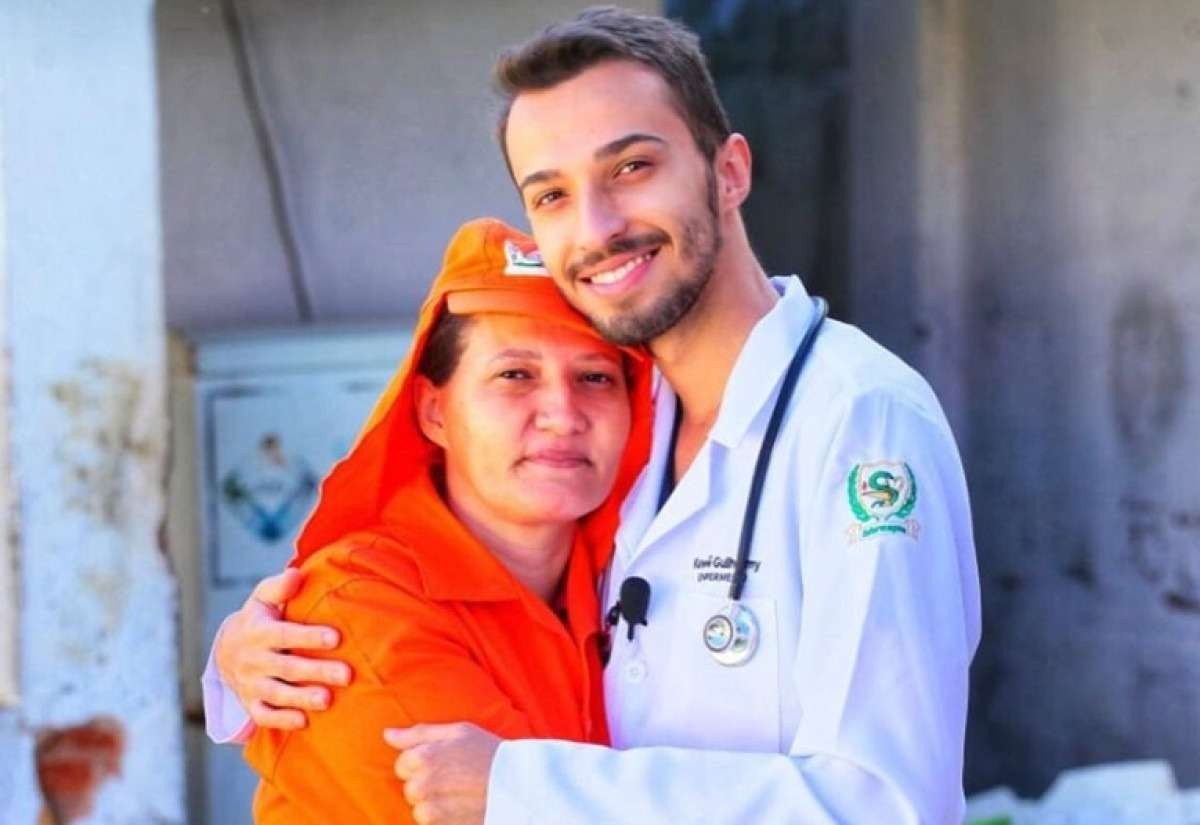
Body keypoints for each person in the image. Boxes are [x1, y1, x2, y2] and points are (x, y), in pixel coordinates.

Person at [207, 8, 981, 824]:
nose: (598, 228)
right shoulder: (629, 429)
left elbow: (892, 806)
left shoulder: (859, 424)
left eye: (632, 167)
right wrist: (236, 666)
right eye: (552, 194)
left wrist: (521, 791)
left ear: (730, 172)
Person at [234, 216, 652, 823]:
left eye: (595, 378)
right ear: (433, 411)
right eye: (515, 375)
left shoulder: (634, 575)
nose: (563, 414)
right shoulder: (354, 616)